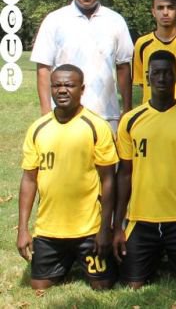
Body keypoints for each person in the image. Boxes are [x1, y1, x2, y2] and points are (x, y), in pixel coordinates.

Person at [17, 64, 118, 290]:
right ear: (51, 88)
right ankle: (63, 259)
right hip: (49, 230)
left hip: (89, 230)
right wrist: (23, 229)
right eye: (57, 85)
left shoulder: (97, 126)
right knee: (39, 286)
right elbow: (29, 179)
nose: (62, 90)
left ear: (82, 89)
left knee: (103, 285)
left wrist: (105, 229)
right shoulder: (38, 128)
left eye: (69, 85)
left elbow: (109, 180)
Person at [114, 50, 176, 288]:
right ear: (147, 77)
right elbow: (124, 174)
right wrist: (117, 225)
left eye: (167, 73)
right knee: (132, 284)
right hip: (140, 218)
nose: (162, 78)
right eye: (156, 73)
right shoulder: (131, 120)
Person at [30, 0, 133, 131]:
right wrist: (46, 112)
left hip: (106, 115)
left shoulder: (115, 21)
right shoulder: (54, 20)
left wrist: (127, 110)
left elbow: (123, 67)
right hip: (64, 116)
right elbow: (43, 68)